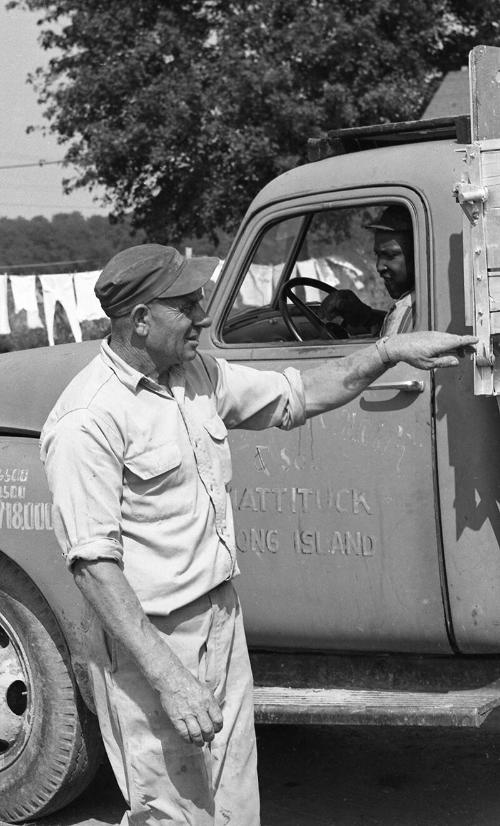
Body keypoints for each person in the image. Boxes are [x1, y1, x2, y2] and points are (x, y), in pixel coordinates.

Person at [40, 244, 476, 826]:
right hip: (151, 641)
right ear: (140, 320)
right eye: (184, 303)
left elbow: (298, 395)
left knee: (236, 807)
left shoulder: (195, 375)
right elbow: (94, 566)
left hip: (220, 619)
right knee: (173, 813)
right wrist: (169, 679)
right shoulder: (85, 422)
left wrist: (389, 350)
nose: (201, 312)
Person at [320, 204, 416, 336]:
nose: (379, 266)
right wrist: (366, 317)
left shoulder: (408, 309)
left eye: (390, 255)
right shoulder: (415, 306)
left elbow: (385, 355)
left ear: (418, 255)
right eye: (378, 255)